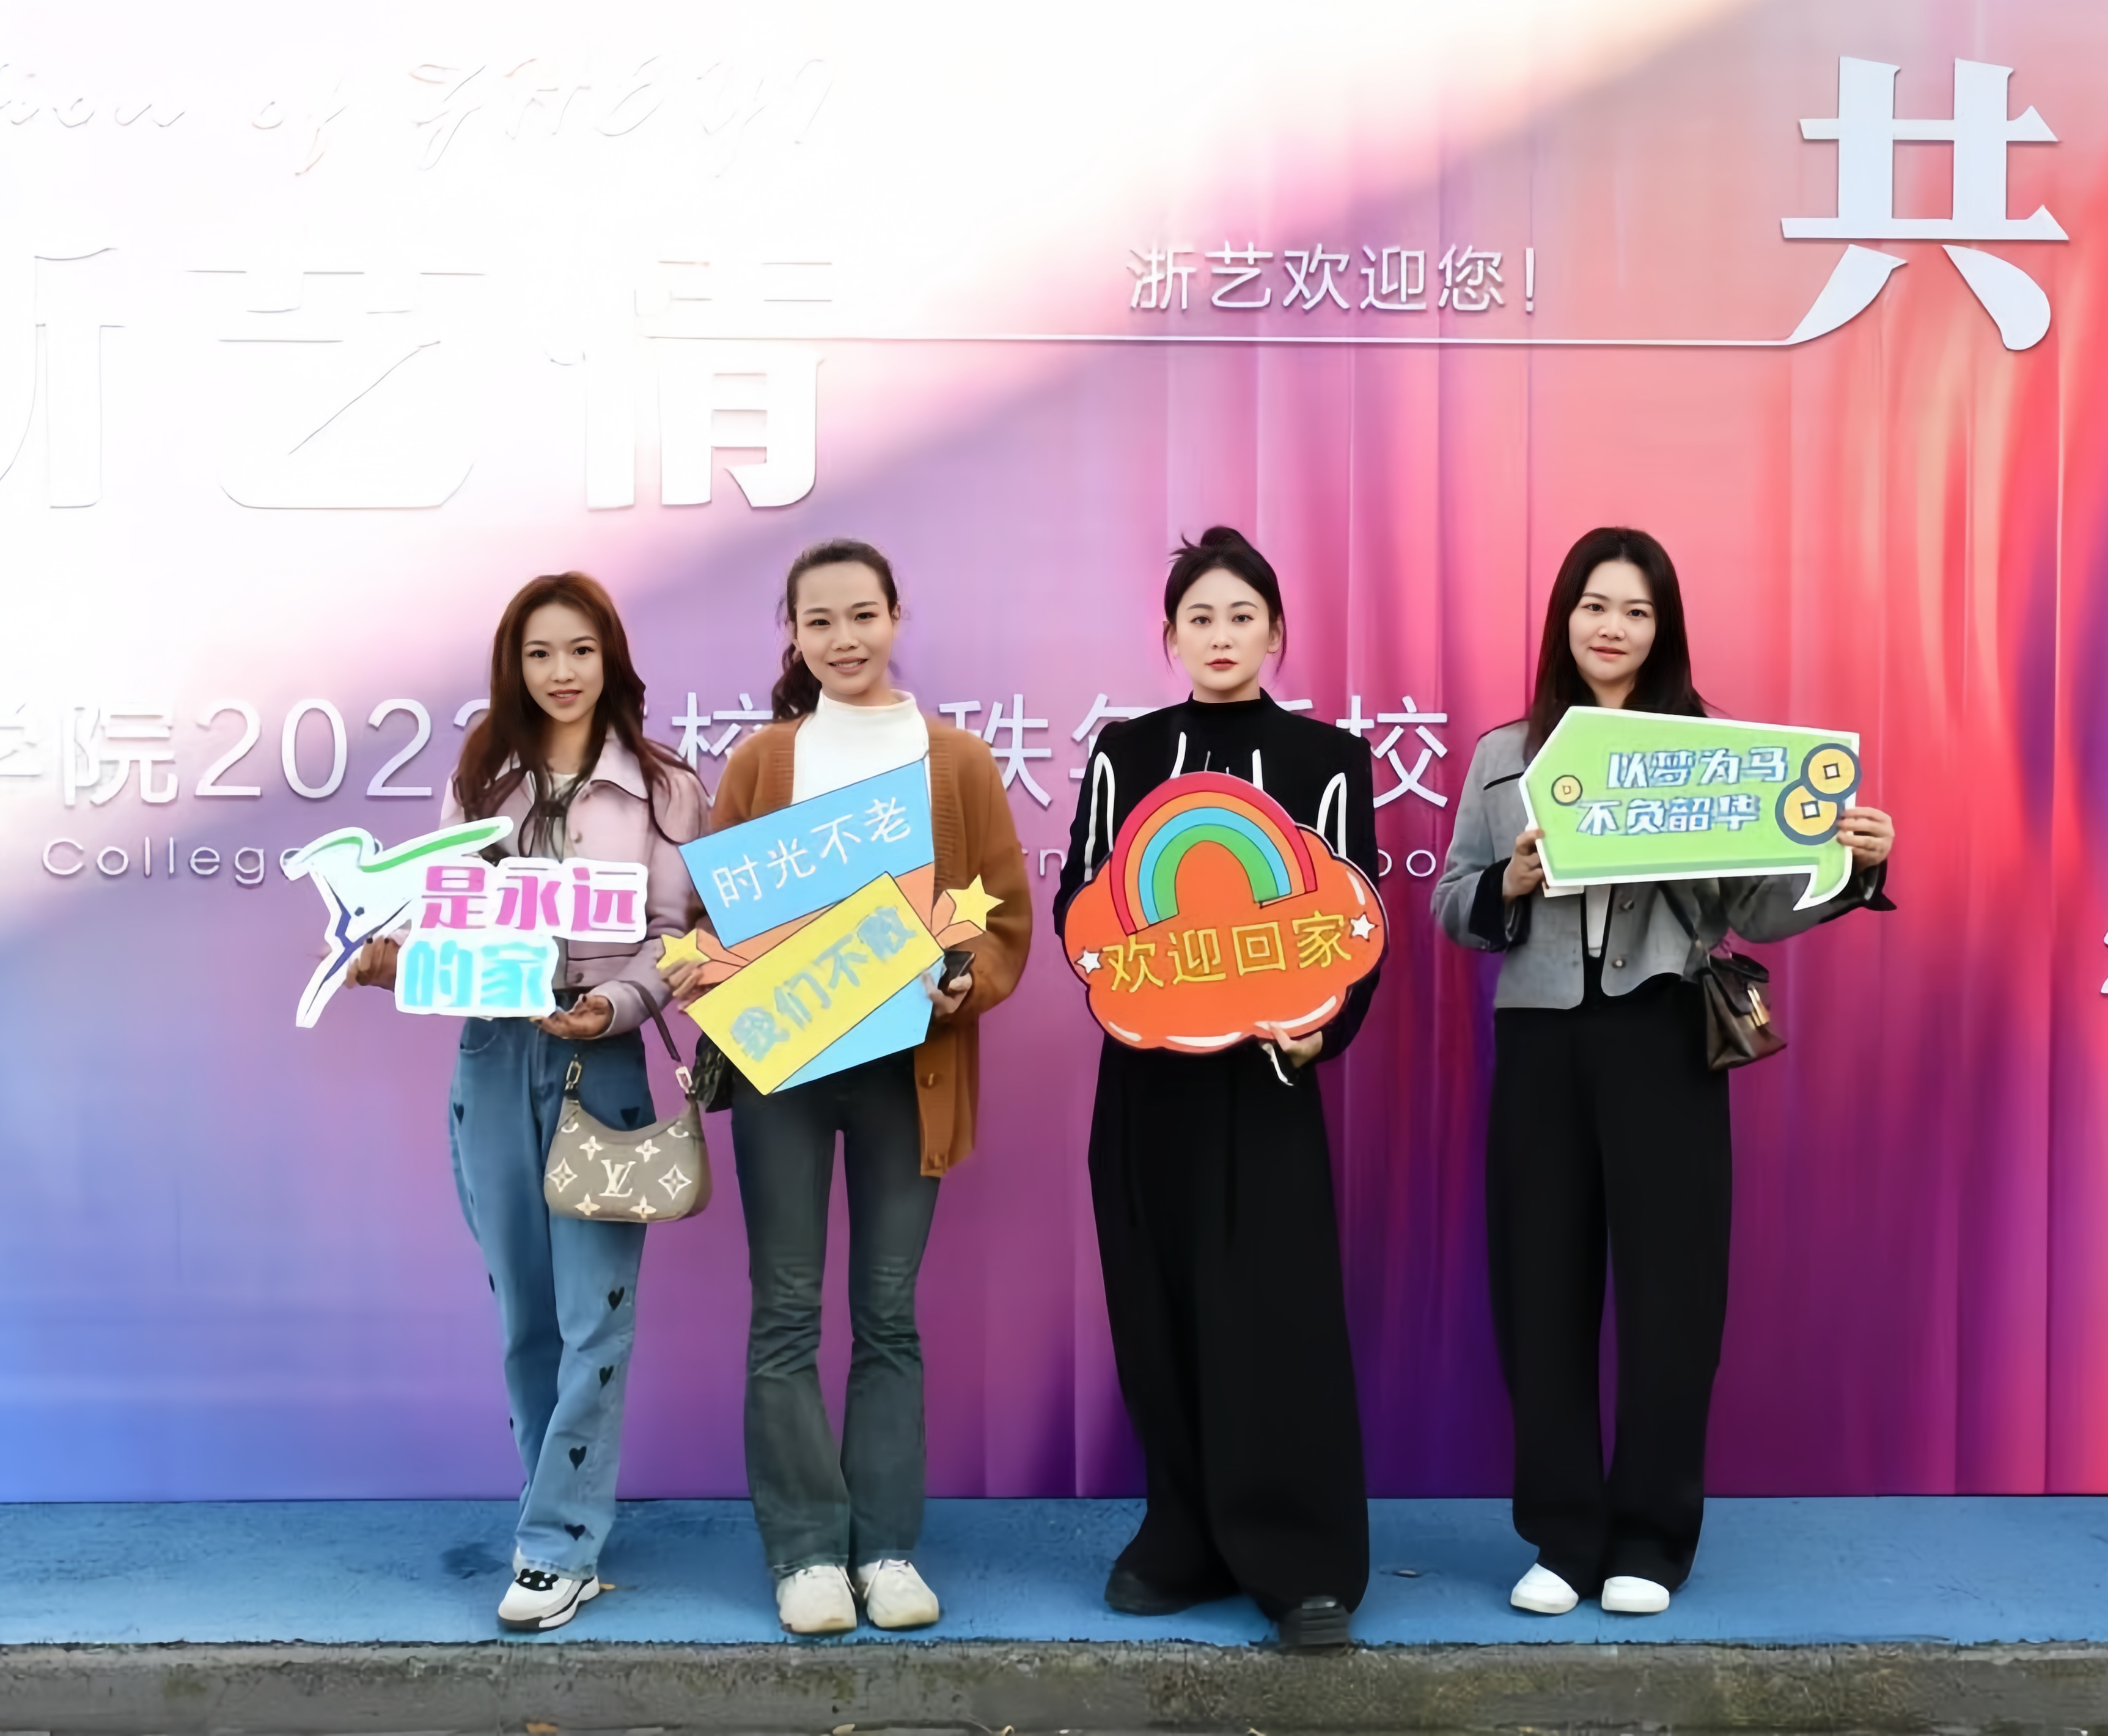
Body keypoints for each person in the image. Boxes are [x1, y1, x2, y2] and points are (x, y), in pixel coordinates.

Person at [1433, 527, 1895, 1619]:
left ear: (1663, 630)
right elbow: (1452, 904)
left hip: (1664, 1037)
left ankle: (1651, 1536)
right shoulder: (1504, 757)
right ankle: (1563, 1536)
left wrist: (1848, 864)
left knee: (1672, 1298)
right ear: (1565, 619)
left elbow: (1758, 910)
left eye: (1636, 612)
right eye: (1595, 606)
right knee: (1540, 1292)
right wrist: (1511, 882)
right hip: (1542, 1045)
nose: (1613, 628)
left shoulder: (1714, 757)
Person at [664, 539, 1030, 1637]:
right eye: (818, 622)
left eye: (862, 615)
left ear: (896, 615)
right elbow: (712, 916)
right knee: (784, 1310)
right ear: (792, 634)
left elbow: (1002, 919)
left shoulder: (956, 762)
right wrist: (712, 966)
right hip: (783, 1070)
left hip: (907, 1071)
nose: (843, 639)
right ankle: (807, 1553)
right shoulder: (763, 763)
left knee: (887, 1314)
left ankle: (888, 1548)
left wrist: (961, 978)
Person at [345, 572, 709, 1632]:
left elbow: (675, 937)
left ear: (611, 660)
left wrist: (615, 1006)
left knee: (597, 1315)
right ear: (515, 666)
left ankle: (556, 1547)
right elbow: (447, 919)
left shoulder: (666, 787)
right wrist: (395, 958)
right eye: (540, 653)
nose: (561, 672)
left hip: (604, 1060)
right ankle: (561, 1516)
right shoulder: (482, 779)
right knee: (527, 1320)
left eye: (580, 650)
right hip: (494, 1055)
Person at [1054, 526, 1378, 1652]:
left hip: (1270, 1081)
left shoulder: (1328, 759)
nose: (1223, 636)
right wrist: (1132, 973)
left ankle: (1303, 1561)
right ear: (1171, 637)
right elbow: (1084, 906)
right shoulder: (1126, 753)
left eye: (1243, 616)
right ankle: (1182, 1537)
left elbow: (1355, 921)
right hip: (1147, 1083)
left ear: (1276, 632)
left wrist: (1320, 1034)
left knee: (1276, 1314)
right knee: (1159, 1308)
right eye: (1201, 618)